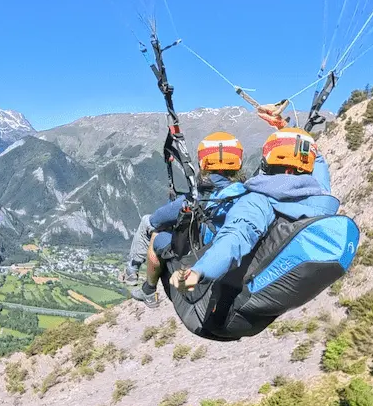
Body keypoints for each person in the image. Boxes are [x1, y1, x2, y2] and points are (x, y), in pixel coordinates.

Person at [168, 108, 338, 296]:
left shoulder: (258, 199)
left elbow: (236, 236)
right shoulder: (320, 192)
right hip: (301, 277)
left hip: (258, 285)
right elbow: (316, 159)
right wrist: (286, 130)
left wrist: (200, 270)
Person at [129, 131, 245, 305]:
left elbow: (156, 219)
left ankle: (146, 286)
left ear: (202, 163)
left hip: (199, 252)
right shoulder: (247, 194)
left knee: (154, 232)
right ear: (238, 163)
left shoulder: (198, 197)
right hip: (232, 254)